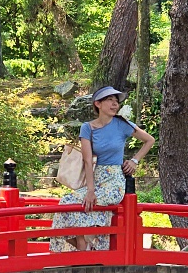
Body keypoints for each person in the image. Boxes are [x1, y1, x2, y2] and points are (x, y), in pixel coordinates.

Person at [50, 86, 155, 252]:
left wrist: (134, 160)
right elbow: (86, 159)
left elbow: (149, 140)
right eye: (110, 100)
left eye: (116, 101)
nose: (115, 104)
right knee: (68, 202)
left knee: (86, 205)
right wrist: (90, 190)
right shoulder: (88, 127)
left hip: (114, 181)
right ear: (98, 104)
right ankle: (84, 247)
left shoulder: (122, 124)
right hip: (95, 178)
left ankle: (86, 249)